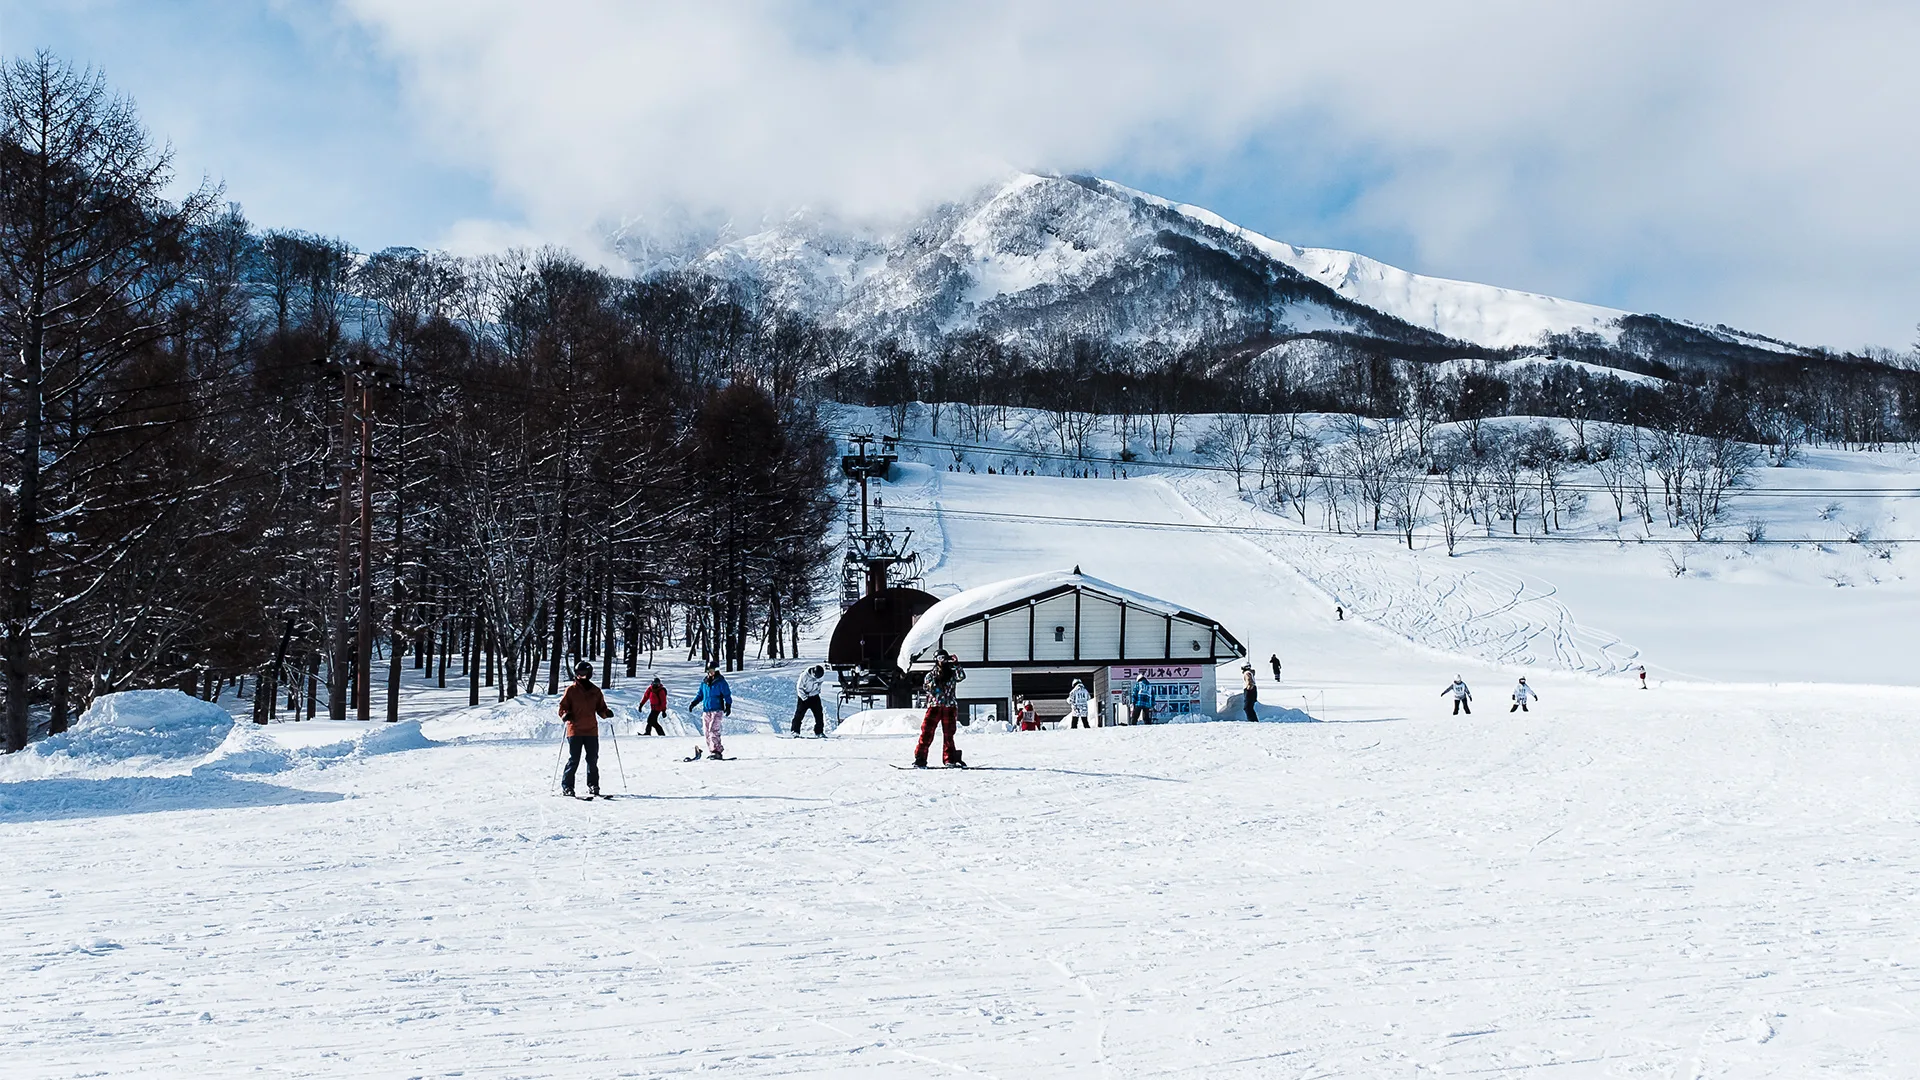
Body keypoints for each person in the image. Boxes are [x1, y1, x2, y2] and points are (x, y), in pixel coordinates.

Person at [557, 661, 613, 796]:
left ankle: (593, 785)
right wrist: (565, 715)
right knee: (574, 759)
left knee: (592, 759)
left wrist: (606, 713)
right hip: (575, 730)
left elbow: (601, 708)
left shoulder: (595, 691)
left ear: (589, 674)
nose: (581, 676)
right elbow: (562, 707)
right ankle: (567, 786)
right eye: (578, 674)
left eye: (583, 674)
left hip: (591, 731)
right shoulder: (571, 690)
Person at [913, 649, 967, 767]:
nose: (941, 661)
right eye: (939, 658)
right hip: (935, 706)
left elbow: (961, 676)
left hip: (949, 706)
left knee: (949, 734)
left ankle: (949, 759)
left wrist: (956, 664)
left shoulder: (952, 673)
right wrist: (935, 687)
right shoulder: (931, 675)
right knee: (927, 732)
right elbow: (927, 688)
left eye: (943, 658)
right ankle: (920, 758)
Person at [687, 665, 732, 761]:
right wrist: (693, 703)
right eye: (708, 670)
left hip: (717, 709)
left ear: (716, 670)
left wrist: (728, 705)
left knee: (713, 730)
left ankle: (717, 751)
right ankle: (712, 751)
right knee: (706, 732)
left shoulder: (721, 682)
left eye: (712, 670)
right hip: (706, 710)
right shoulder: (704, 683)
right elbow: (700, 695)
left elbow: (727, 694)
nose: (710, 672)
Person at [792, 664, 827, 737]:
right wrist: (805, 697)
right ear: (813, 673)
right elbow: (799, 688)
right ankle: (795, 731)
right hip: (804, 697)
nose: (817, 678)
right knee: (799, 714)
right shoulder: (804, 676)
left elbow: (819, 686)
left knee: (819, 715)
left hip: (814, 696)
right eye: (816, 677)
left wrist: (815, 693)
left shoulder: (820, 676)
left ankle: (819, 732)